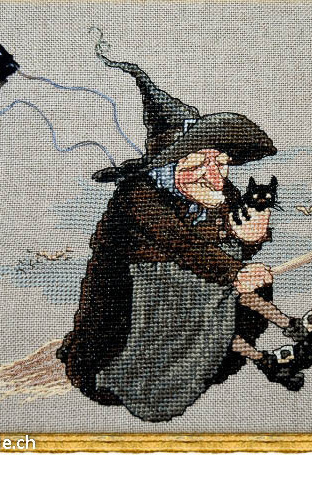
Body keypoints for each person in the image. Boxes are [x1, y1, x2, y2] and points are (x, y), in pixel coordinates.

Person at [57, 45, 283, 422]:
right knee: (196, 285)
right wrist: (233, 270)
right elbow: (182, 245)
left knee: (254, 285)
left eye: (221, 163)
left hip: (191, 300)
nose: (215, 176)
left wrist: (251, 237)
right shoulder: (138, 196)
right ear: (168, 166)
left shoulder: (218, 191)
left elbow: (228, 243)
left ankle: (230, 359)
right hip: (128, 318)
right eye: (199, 164)